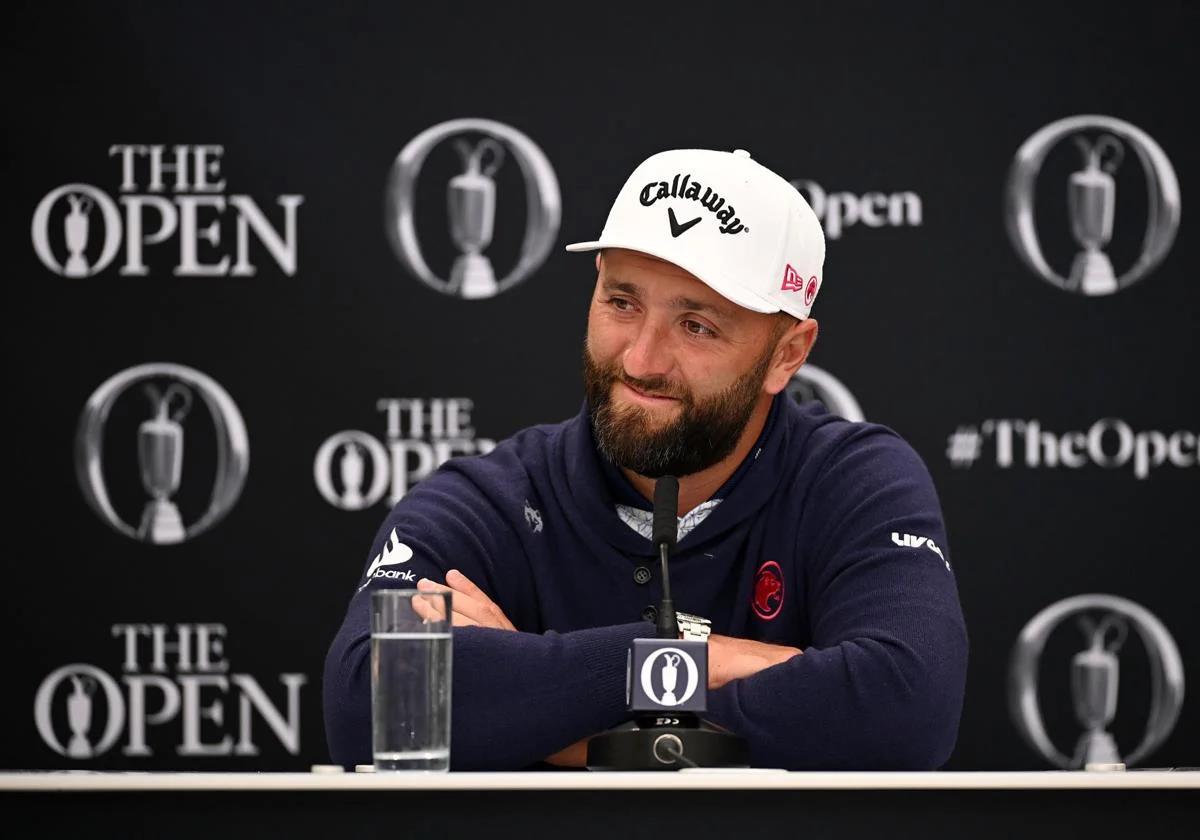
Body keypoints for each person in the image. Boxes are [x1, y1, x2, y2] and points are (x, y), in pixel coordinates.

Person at [324, 148, 968, 770]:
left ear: (787, 354)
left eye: (697, 326)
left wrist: (541, 704)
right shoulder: (488, 498)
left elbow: (907, 707)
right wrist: (704, 658)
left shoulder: (854, 481)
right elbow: (369, 706)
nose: (640, 360)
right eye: (622, 303)